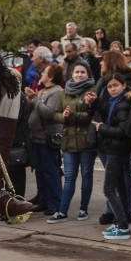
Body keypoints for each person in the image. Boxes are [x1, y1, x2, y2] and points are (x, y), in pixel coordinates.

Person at [49, 61, 97, 223]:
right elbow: (55, 114)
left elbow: (92, 116)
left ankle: (83, 209)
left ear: (88, 74)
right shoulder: (65, 92)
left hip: (86, 141)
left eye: (83, 72)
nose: (79, 75)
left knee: (86, 175)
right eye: (77, 72)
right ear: (72, 74)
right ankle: (62, 211)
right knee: (69, 177)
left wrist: (73, 115)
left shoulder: (92, 91)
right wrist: (63, 116)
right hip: (68, 141)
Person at [93, 73, 131, 240]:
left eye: (116, 85)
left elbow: (123, 131)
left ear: (124, 86)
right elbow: (108, 109)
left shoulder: (123, 104)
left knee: (109, 189)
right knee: (120, 187)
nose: (112, 89)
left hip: (117, 150)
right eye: (109, 86)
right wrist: (95, 102)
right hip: (116, 149)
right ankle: (121, 222)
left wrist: (101, 128)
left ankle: (123, 226)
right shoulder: (115, 102)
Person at [26, 64, 64, 215]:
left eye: (45, 72)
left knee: (50, 172)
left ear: (51, 76)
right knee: (40, 172)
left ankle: (55, 203)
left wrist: (35, 100)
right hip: (37, 137)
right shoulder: (42, 91)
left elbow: (49, 113)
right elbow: (37, 108)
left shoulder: (57, 92)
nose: (41, 74)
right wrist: (31, 99)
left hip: (48, 138)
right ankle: (43, 201)